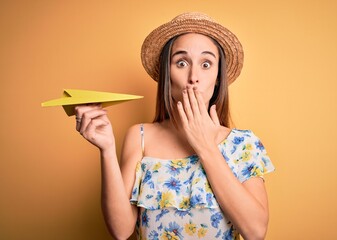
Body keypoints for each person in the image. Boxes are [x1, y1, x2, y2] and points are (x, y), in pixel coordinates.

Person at [74, 12, 275, 240]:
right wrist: (107, 149)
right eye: (181, 63)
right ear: (167, 74)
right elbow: (121, 231)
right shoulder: (140, 136)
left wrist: (205, 146)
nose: (193, 77)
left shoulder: (243, 144)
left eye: (206, 64)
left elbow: (256, 232)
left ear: (218, 77)